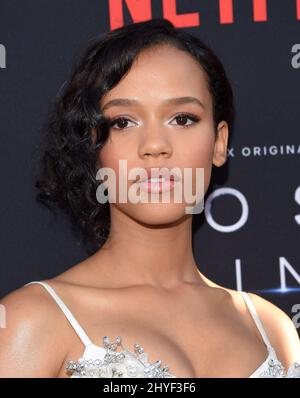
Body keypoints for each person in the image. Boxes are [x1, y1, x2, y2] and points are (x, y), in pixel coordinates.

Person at [0, 18, 299, 378]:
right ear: (93, 146)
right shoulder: (30, 321)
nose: (155, 146)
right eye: (123, 122)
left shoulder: (271, 330)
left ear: (219, 143)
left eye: (183, 118)